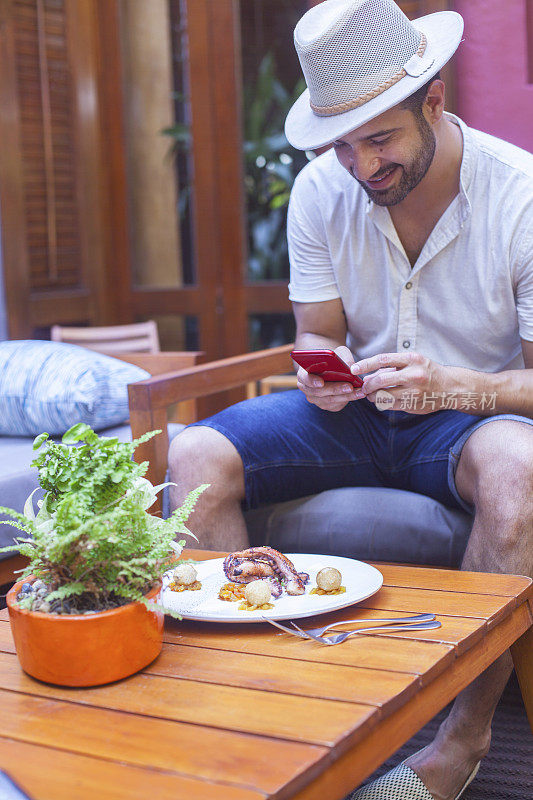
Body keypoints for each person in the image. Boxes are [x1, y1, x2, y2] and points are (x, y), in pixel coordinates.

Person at [168, 1, 533, 798]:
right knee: (193, 451)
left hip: (471, 419)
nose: (363, 166)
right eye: (343, 145)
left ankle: (458, 746)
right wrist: (321, 369)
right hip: (357, 415)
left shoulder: (520, 196)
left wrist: (458, 387)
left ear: (432, 99)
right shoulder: (317, 192)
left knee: (520, 466)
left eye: (380, 138)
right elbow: (320, 333)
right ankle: (257, 716)